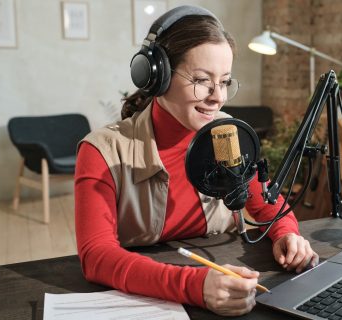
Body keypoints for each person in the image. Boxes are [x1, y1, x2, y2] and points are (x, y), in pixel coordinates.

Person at [75, 5, 319, 317]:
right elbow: (96, 256)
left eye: (225, 82)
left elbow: (267, 204)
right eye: (202, 79)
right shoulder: (103, 151)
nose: (217, 97)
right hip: (149, 301)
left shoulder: (227, 133)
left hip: (224, 288)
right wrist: (194, 285)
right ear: (157, 77)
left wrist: (288, 234)